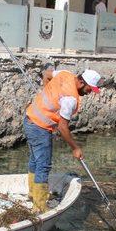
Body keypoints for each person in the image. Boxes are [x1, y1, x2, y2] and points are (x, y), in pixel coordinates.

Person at [25, 69, 102, 212]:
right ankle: (39, 207)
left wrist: (46, 92)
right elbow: (62, 126)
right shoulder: (70, 99)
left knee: (35, 160)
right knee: (43, 165)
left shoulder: (65, 73)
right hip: (40, 128)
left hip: (29, 119)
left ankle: (33, 194)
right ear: (81, 82)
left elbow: (47, 74)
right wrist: (75, 148)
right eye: (89, 89)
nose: (89, 92)